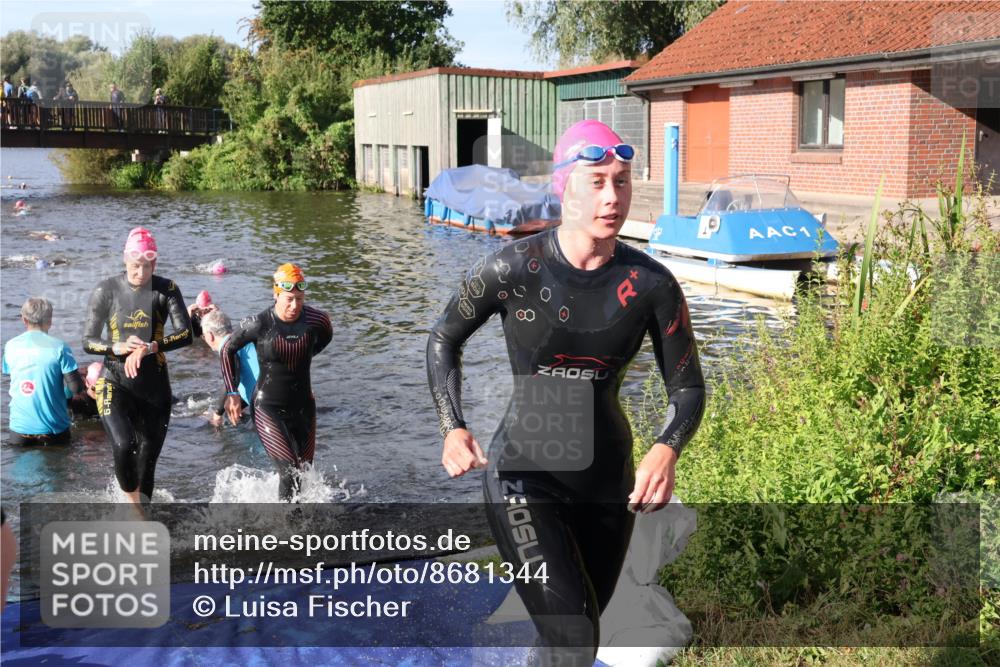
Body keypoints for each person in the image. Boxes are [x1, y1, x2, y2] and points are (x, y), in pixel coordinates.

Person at [426, 119, 706, 664]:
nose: (613, 196)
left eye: (622, 181)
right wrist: (452, 426)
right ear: (563, 187)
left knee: (575, 641)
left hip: (608, 482)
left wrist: (666, 446)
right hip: (524, 475)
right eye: (596, 180)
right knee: (574, 637)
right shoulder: (514, 268)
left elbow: (689, 387)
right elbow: (443, 340)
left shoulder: (652, 286)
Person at [83, 227, 192, 509]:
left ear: (154, 264)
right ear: (125, 261)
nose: (140, 273)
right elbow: (88, 341)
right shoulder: (106, 289)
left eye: (146, 267)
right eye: (134, 266)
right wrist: (115, 347)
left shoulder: (166, 289)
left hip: (154, 388)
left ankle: (141, 514)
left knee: (146, 465)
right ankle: (133, 511)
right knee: (123, 445)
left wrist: (151, 346)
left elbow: (186, 334)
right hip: (114, 382)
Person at [220, 263, 332, 501]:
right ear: (276, 294)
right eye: (289, 299)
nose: (294, 306)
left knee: (303, 472)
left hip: (303, 406)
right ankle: (287, 530)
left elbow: (325, 337)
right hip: (267, 406)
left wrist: (301, 358)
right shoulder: (259, 323)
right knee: (289, 471)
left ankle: (300, 522)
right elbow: (227, 350)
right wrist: (231, 393)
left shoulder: (316, 320)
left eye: (300, 299)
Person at [2, 297, 85, 445]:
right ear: (50, 321)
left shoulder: (10, 346)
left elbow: (14, 377)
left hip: (19, 430)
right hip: (54, 430)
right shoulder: (60, 347)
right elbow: (76, 388)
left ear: (24, 320)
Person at [198, 308, 260, 427]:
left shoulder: (227, 348)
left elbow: (233, 378)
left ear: (210, 335)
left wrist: (217, 414)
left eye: (203, 335)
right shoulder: (242, 340)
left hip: (264, 406)